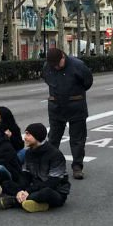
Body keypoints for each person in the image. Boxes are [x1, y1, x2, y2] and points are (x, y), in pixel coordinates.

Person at [42, 48, 93, 179]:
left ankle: (77, 166)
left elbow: (88, 82)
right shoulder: (48, 66)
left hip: (75, 105)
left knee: (77, 139)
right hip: (56, 106)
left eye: (58, 64)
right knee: (53, 138)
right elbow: (46, 77)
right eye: (53, 65)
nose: (56, 67)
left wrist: (75, 93)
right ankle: (51, 165)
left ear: (63, 57)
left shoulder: (78, 65)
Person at [0, 123, 70, 212]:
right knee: (6, 184)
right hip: (34, 188)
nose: (25, 137)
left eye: (28, 134)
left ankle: (15, 201)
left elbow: (53, 182)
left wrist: (28, 191)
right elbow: (25, 175)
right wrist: (21, 191)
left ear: (37, 136)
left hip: (54, 191)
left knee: (46, 192)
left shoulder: (55, 154)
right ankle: (31, 201)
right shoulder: (29, 152)